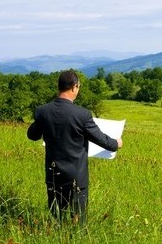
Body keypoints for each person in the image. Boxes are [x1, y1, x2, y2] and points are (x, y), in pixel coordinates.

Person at [27, 70, 123, 226]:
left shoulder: (42, 112)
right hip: (76, 177)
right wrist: (116, 143)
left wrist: (43, 122)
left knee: (56, 217)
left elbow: (32, 135)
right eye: (78, 87)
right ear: (74, 87)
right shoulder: (82, 114)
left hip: (53, 175)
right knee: (78, 221)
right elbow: (101, 139)